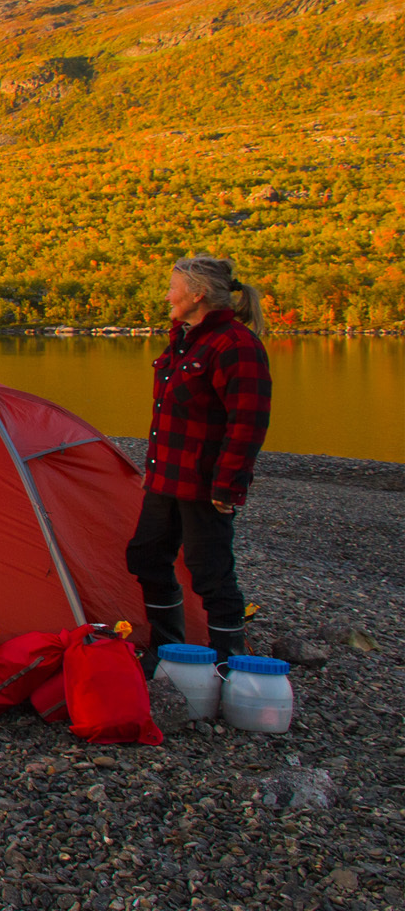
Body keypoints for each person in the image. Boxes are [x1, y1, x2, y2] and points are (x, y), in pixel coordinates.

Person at [125, 255, 272, 664]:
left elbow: (248, 422)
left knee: (210, 571)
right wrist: (152, 470)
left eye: (173, 288)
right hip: (166, 479)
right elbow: (167, 415)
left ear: (198, 294)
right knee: (146, 556)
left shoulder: (236, 346)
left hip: (205, 483)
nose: (167, 296)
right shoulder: (185, 340)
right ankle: (168, 650)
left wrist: (228, 485)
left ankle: (229, 660)